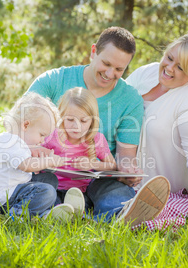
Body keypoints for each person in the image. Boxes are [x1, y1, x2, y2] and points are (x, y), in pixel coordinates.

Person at [27, 26, 170, 225]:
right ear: (94, 51)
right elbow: (22, 121)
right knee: (39, 187)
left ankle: (119, 216)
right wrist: (37, 150)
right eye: (106, 63)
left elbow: (125, 154)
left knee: (113, 191)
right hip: (48, 172)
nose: (110, 74)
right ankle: (52, 212)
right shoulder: (54, 80)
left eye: (119, 69)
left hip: (95, 178)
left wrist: (127, 171)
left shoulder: (130, 99)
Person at [126, 34, 188, 199]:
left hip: (158, 191)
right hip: (120, 177)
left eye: (181, 67)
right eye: (169, 58)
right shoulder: (147, 72)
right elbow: (116, 104)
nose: (169, 68)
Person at [41, 87, 117, 213]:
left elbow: (112, 166)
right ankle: (56, 211)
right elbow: (34, 156)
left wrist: (92, 164)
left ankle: (72, 212)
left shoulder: (96, 139)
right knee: (49, 197)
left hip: (80, 193)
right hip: (52, 188)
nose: (77, 127)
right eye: (70, 120)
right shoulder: (52, 135)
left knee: (83, 203)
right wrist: (49, 160)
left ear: (92, 121)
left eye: (83, 121)